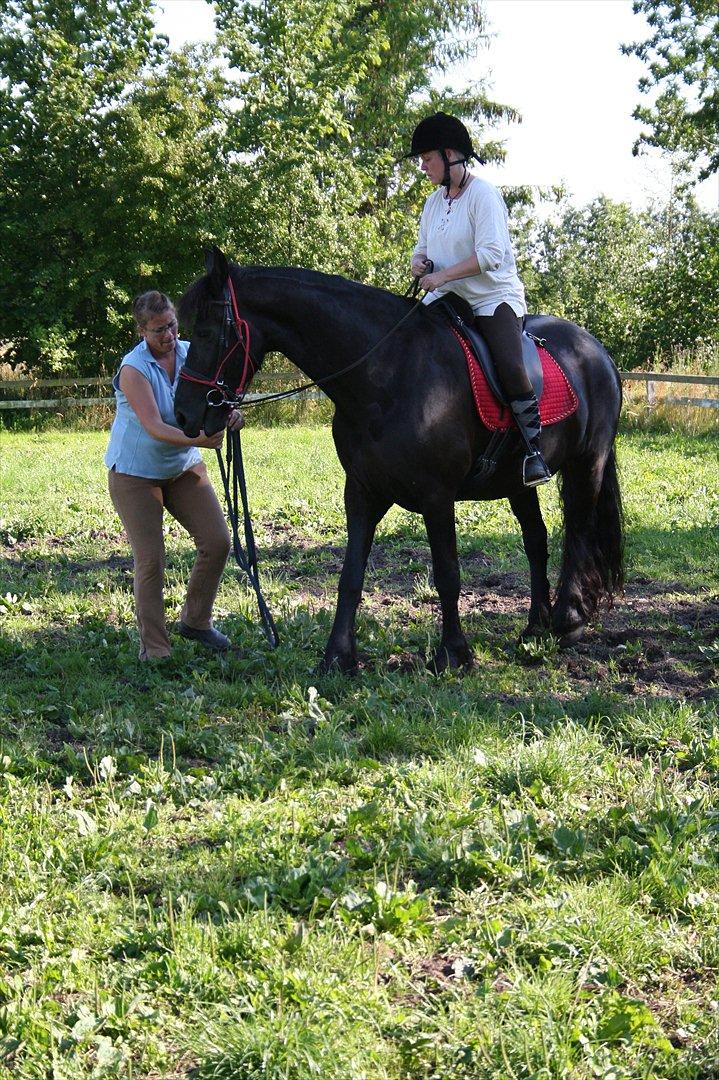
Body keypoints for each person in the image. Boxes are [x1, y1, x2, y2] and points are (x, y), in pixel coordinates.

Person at [409, 111, 551, 487]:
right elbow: (420, 250)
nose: (423, 167)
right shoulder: (433, 204)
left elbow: (491, 255)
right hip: (445, 300)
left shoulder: (484, 195)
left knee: (508, 362)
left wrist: (441, 275)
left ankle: (533, 450)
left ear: (451, 154)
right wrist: (418, 263)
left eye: (427, 159)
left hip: (491, 299)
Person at [105, 290, 244, 660]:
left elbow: (217, 399)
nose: (167, 335)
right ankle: (155, 650)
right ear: (141, 332)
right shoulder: (133, 370)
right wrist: (201, 438)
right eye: (157, 330)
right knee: (151, 560)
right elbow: (153, 426)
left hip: (181, 467)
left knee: (217, 542)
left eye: (171, 325)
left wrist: (228, 416)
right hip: (135, 474)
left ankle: (196, 622)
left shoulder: (189, 354)